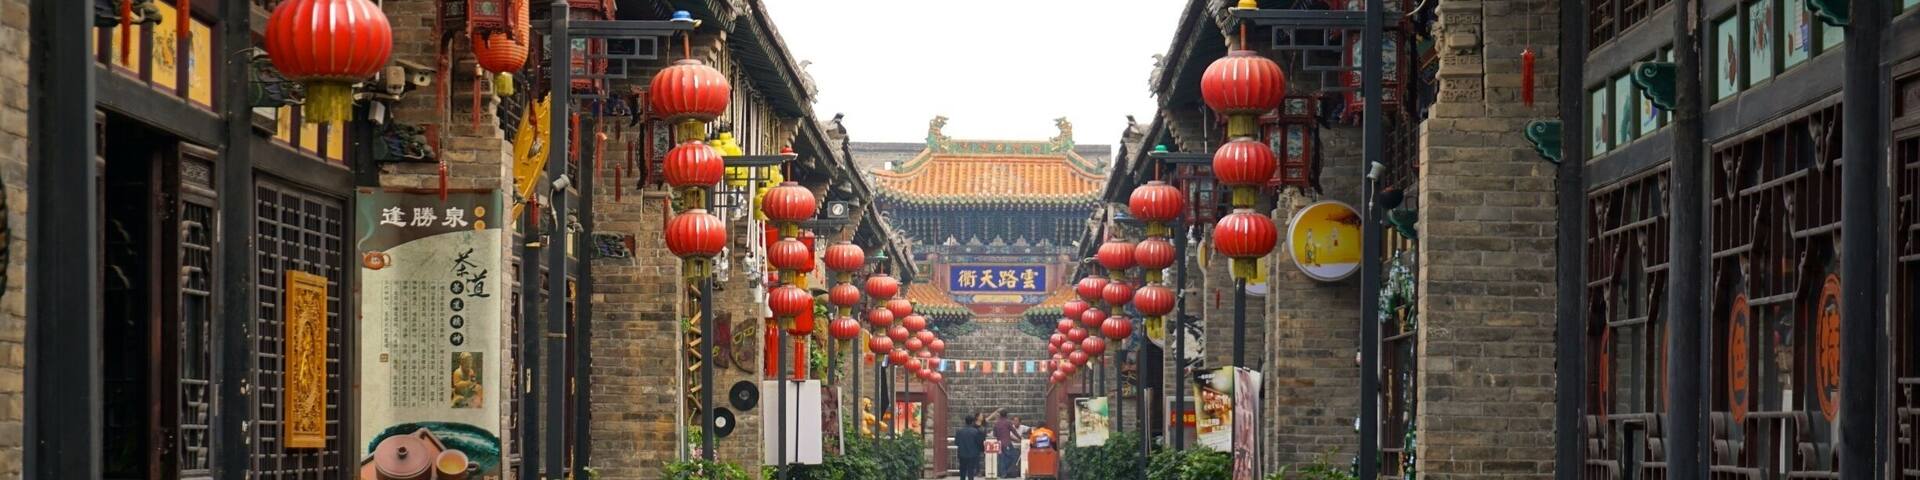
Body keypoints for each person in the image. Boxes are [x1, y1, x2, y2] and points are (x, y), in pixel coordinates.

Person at [993, 409, 1019, 478]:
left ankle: (1003, 474)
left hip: (999, 443)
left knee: (1002, 459)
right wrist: (1020, 438)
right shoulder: (1008, 422)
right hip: (1007, 443)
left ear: (1000, 415)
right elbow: (1014, 431)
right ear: (1006, 415)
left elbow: (994, 434)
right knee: (1014, 456)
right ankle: (1008, 472)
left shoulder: (996, 423)